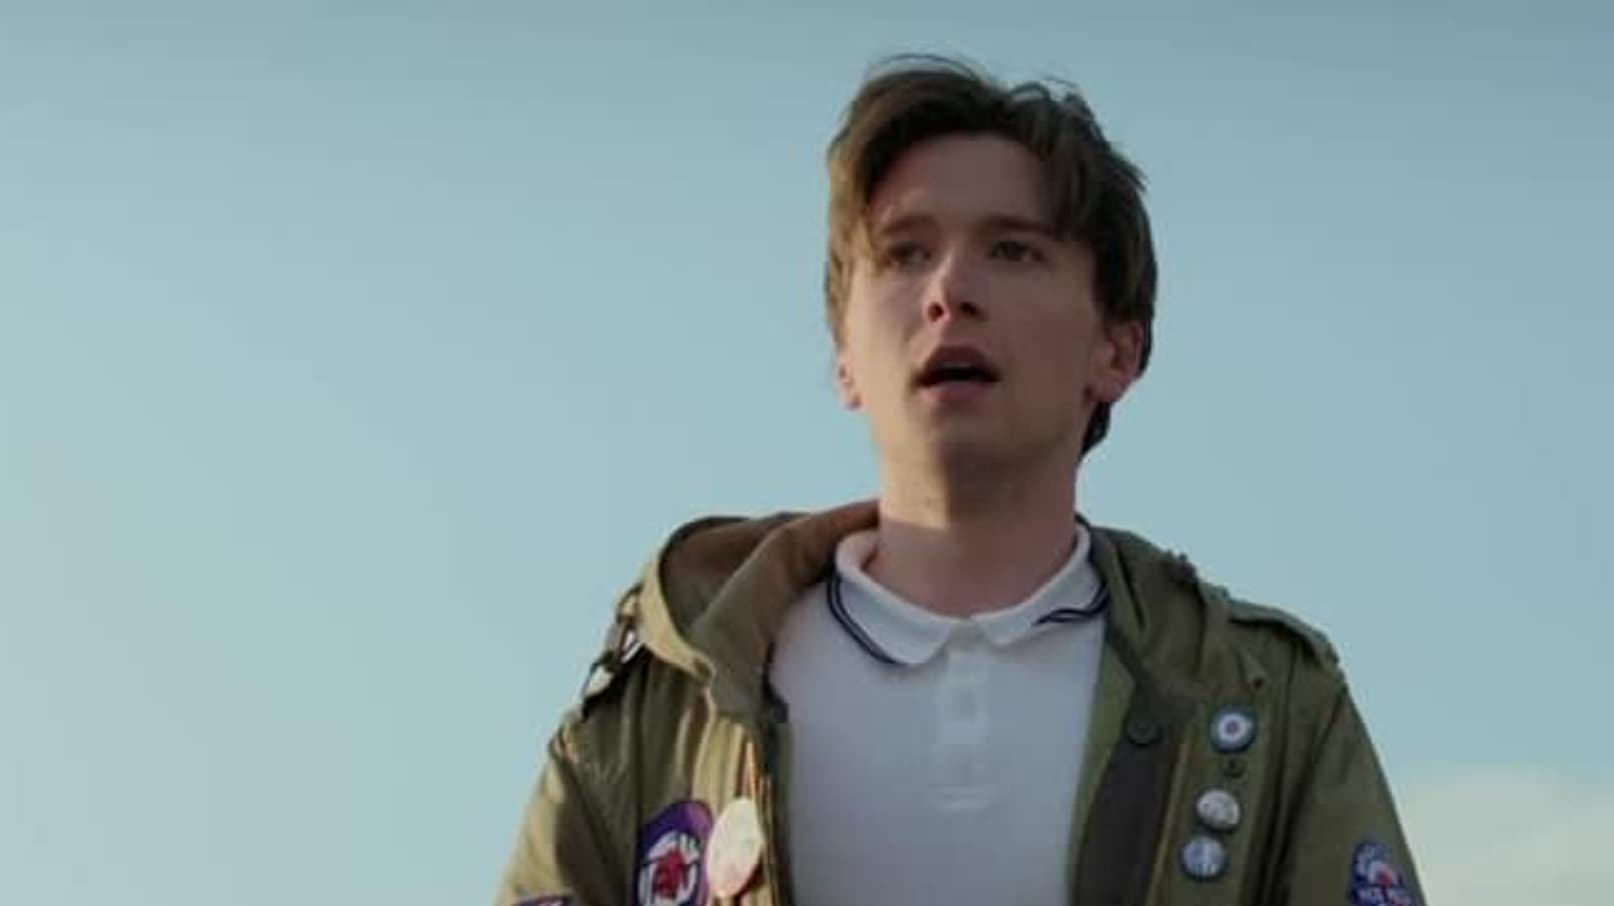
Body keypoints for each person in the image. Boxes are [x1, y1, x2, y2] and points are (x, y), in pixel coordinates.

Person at [495, 54, 1423, 906]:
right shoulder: (670, 697)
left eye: (1013, 250)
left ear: (1118, 348)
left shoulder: (1264, 702)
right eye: (905, 252)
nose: (949, 291)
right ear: (844, 357)